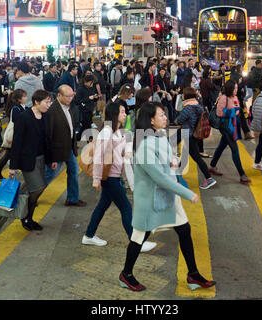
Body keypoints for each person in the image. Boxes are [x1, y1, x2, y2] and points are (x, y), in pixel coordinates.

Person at [119, 102, 216, 292]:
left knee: (184, 230)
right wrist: (188, 193)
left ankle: (193, 275)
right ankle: (126, 274)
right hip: (150, 200)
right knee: (139, 236)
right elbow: (160, 178)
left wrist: (174, 162)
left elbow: (169, 159)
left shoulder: (161, 136)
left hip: (168, 197)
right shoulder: (145, 145)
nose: (166, 117)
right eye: (161, 115)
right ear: (151, 121)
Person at [82, 101, 156, 252]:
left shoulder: (119, 131)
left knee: (103, 205)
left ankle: (89, 235)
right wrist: (96, 179)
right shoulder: (107, 132)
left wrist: (128, 150)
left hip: (114, 175)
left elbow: (126, 145)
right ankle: (136, 243)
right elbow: (98, 157)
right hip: (110, 177)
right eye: (122, 112)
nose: (125, 114)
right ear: (115, 114)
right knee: (126, 208)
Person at [9, 89, 53, 231]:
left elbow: (47, 140)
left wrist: (51, 159)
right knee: (38, 188)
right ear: (36, 102)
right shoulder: (24, 117)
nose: (48, 105)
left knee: (36, 189)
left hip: (41, 158)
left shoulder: (45, 116)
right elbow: (17, 142)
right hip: (28, 160)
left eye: (49, 102)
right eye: (46, 102)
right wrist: (13, 165)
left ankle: (29, 217)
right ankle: (25, 217)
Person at [44, 85, 87, 207]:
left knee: (74, 171)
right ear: (59, 95)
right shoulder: (52, 111)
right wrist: (51, 157)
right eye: (67, 96)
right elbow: (49, 135)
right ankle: (32, 195)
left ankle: (72, 199)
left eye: (72, 96)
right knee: (49, 176)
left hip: (69, 147)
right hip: (57, 151)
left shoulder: (70, 107)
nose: (70, 99)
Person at [209, 80, 251, 185]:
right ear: (229, 89)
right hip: (226, 127)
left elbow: (237, 107)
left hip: (233, 126)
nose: (236, 90)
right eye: (235, 88)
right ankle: (242, 174)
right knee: (234, 149)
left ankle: (212, 166)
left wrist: (237, 111)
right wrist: (233, 112)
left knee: (222, 145)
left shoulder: (235, 97)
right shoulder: (223, 98)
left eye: (237, 88)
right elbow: (219, 113)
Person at [175, 87, 217, 189]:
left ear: (187, 96)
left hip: (189, 135)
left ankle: (209, 178)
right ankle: (177, 173)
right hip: (196, 135)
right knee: (186, 154)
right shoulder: (198, 106)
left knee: (197, 158)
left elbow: (179, 121)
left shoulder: (187, 108)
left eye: (183, 95)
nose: (182, 96)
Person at [0, 89, 28, 180]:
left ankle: (0, 172)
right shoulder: (16, 108)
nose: (26, 98)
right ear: (19, 99)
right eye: (24, 96)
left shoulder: (24, 106)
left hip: (19, 136)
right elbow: (16, 122)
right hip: (14, 136)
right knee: (8, 155)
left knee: (9, 155)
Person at [73, 74, 98, 139]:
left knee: (84, 128)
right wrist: (88, 98)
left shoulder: (91, 88)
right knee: (87, 127)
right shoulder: (80, 89)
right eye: (91, 83)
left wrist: (95, 97)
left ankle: (76, 139)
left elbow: (92, 97)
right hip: (83, 111)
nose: (92, 84)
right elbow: (77, 101)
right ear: (88, 82)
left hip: (90, 110)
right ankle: (90, 141)